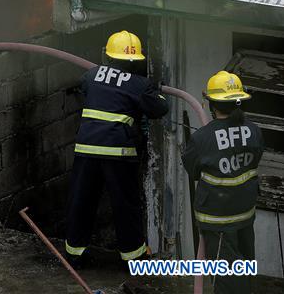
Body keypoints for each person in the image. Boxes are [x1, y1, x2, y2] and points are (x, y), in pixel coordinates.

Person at [64, 30, 169, 265]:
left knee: (81, 200)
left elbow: (91, 90)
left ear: (109, 56)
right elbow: (160, 109)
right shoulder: (139, 84)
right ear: (136, 62)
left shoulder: (90, 75)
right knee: (125, 204)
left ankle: (75, 253)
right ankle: (134, 258)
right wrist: (156, 91)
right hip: (117, 153)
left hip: (86, 149)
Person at [182, 71, 263, 294]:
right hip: (245, 214)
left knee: (226, 278)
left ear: (212, 104)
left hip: (217, 220)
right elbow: (254, 160)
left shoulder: (202, 138)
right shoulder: (255, 131)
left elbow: (192, 169)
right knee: (244, 266)